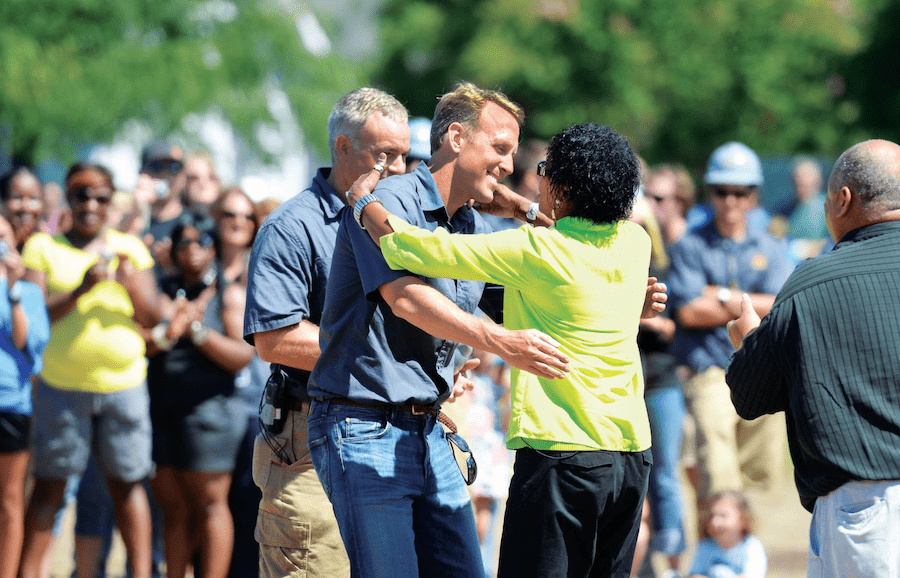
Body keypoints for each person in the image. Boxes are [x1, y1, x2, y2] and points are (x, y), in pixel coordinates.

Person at [342, 120, 668, 578]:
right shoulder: (635, 243)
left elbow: (413, 250)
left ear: (564, 187)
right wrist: (527, 208)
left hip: (562, 454)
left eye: (543, 170)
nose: (534, 179)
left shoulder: (537, 251)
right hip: (631, 457)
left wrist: (363, 205)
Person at [242, 86, 411, 578]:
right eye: (384, 156)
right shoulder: (291, 227)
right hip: (309, 443)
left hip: (391, 438)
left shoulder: (401, 221)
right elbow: (275, 340)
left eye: (404, 156)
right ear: (342, 148)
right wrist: (383, 360)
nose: (398, 170)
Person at [725, 139, 900, 578]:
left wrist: (749, 340)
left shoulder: (812, 282)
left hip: (865, 515)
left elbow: (750, 395)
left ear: (843, 200)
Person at [19, 162, 161, 578]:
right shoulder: (43, 248)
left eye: (100, 196)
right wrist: (81, 288)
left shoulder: (130, 249)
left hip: (124, 386)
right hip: (62, 386)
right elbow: (34, 315)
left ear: (112, 200)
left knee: (128, 485)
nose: (91, 204)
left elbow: (152, 317)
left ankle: (140, 572)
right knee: (50, 486)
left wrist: (131, 284)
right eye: (81, 194)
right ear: (68, 196)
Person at [667, 141, 794, 521]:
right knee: (716, 459)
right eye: (722, 191)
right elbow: (689, 311)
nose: (731, 200)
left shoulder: (770, 246)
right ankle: (720, 542)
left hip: (759, 368)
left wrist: (719, 295)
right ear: (710, 193)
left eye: (740, 192)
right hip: (710, 369)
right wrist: (751, 300)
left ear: (753, 195)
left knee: (759, 474)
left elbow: (781, 305)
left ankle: (743, 549)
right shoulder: (690, 244)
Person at [146, 213, 254, 578]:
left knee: (210, 506)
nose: (193, 249)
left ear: (214, 247)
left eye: (202, 242)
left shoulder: (228, 292)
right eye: (184, 242)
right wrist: (170, 328)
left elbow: (242, 356)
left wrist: (196, 331)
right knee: (174, 510)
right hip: (162, 409)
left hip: (211, 413)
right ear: (173, 250)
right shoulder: (162, 288)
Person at [0, 215, 50, 578]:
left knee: (9, 500)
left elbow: (26, 343)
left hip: (10, 404)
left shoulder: (28, 292)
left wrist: (13, 289)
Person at [687, 491, 766, 578]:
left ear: (743, 520)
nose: (715, 522)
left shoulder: (751, 546)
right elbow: (694, 575)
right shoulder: (705, 546)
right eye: (712, 516)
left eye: (723, 516)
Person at [1, 168, 46, 251]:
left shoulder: (51, 246)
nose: (25, 207)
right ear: (3, 203)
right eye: (17, 198)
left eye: (33, 198)